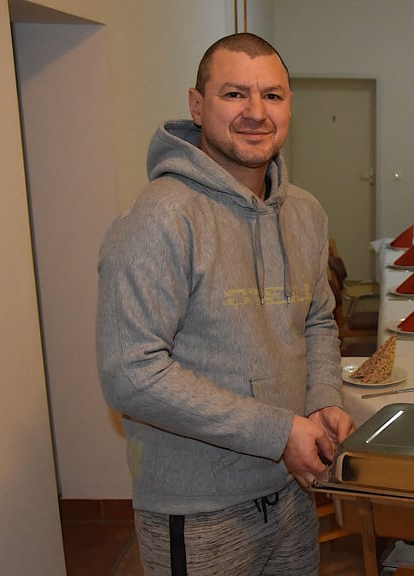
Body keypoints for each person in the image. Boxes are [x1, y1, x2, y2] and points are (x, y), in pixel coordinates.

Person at [97, 33, 355, 575]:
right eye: (235, 94)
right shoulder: (162, 218)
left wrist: (323, 399)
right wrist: (279, 432)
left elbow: (316, 320)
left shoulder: (304, 212)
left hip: (289, 495)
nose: (256, 113)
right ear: (197, 105)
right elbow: (130, 372)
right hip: (199, 513)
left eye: (273, 96)